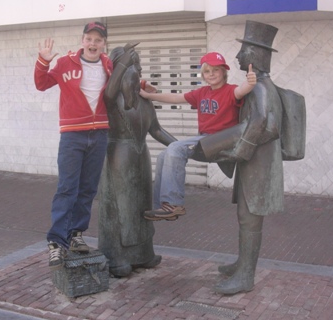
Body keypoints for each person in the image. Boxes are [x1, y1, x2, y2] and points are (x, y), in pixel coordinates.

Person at [197, 20, 305, 295]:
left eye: (243, 52)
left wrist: (237, 148)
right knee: (244, 215)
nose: (238, 57)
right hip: (252, 163)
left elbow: (267, 125)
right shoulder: (257, 85)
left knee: (250, 218)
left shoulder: (261, 87)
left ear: (255, 56)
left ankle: (246, 275)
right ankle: (241, 263)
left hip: (259, 163)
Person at [140, 52, 257, 221]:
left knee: (175, 148)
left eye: (216, 70)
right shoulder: (202, 93)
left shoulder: (230, 90)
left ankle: (173, 204)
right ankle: (163, 206)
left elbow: (241, 90)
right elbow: (176, 97)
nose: (212, 74)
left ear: (224, 72)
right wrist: (149, 96)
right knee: (163, 155)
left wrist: (250, 83)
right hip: (205, 139)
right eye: (208, 71)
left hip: (221, 140)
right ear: (203, 75)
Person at [34, 21, 112, 270]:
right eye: (89, 39)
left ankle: (77, 234)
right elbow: (42, 83)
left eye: (98, 40)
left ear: (103, 44)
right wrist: (43, 61)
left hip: (99, 133)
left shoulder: (109, 64)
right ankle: (57, 243)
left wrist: (143, 87)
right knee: (67, 188)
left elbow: (122, 85)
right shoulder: (66, 62)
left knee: (88, 189)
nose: (93, 43)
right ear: (82, 41)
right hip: (72, 135)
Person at [98, 43, 177, 277]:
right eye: (131, 70)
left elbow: (157, 130)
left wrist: (182, 147)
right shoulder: (112, 100)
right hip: (118, 158)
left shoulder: (144, 101)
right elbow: (110, 91)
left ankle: (143, 253)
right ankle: (116, 256)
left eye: (138, 70)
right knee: (120, 210)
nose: (137, 75)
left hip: (141, 158)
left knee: (141, 205)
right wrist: (124, 61)